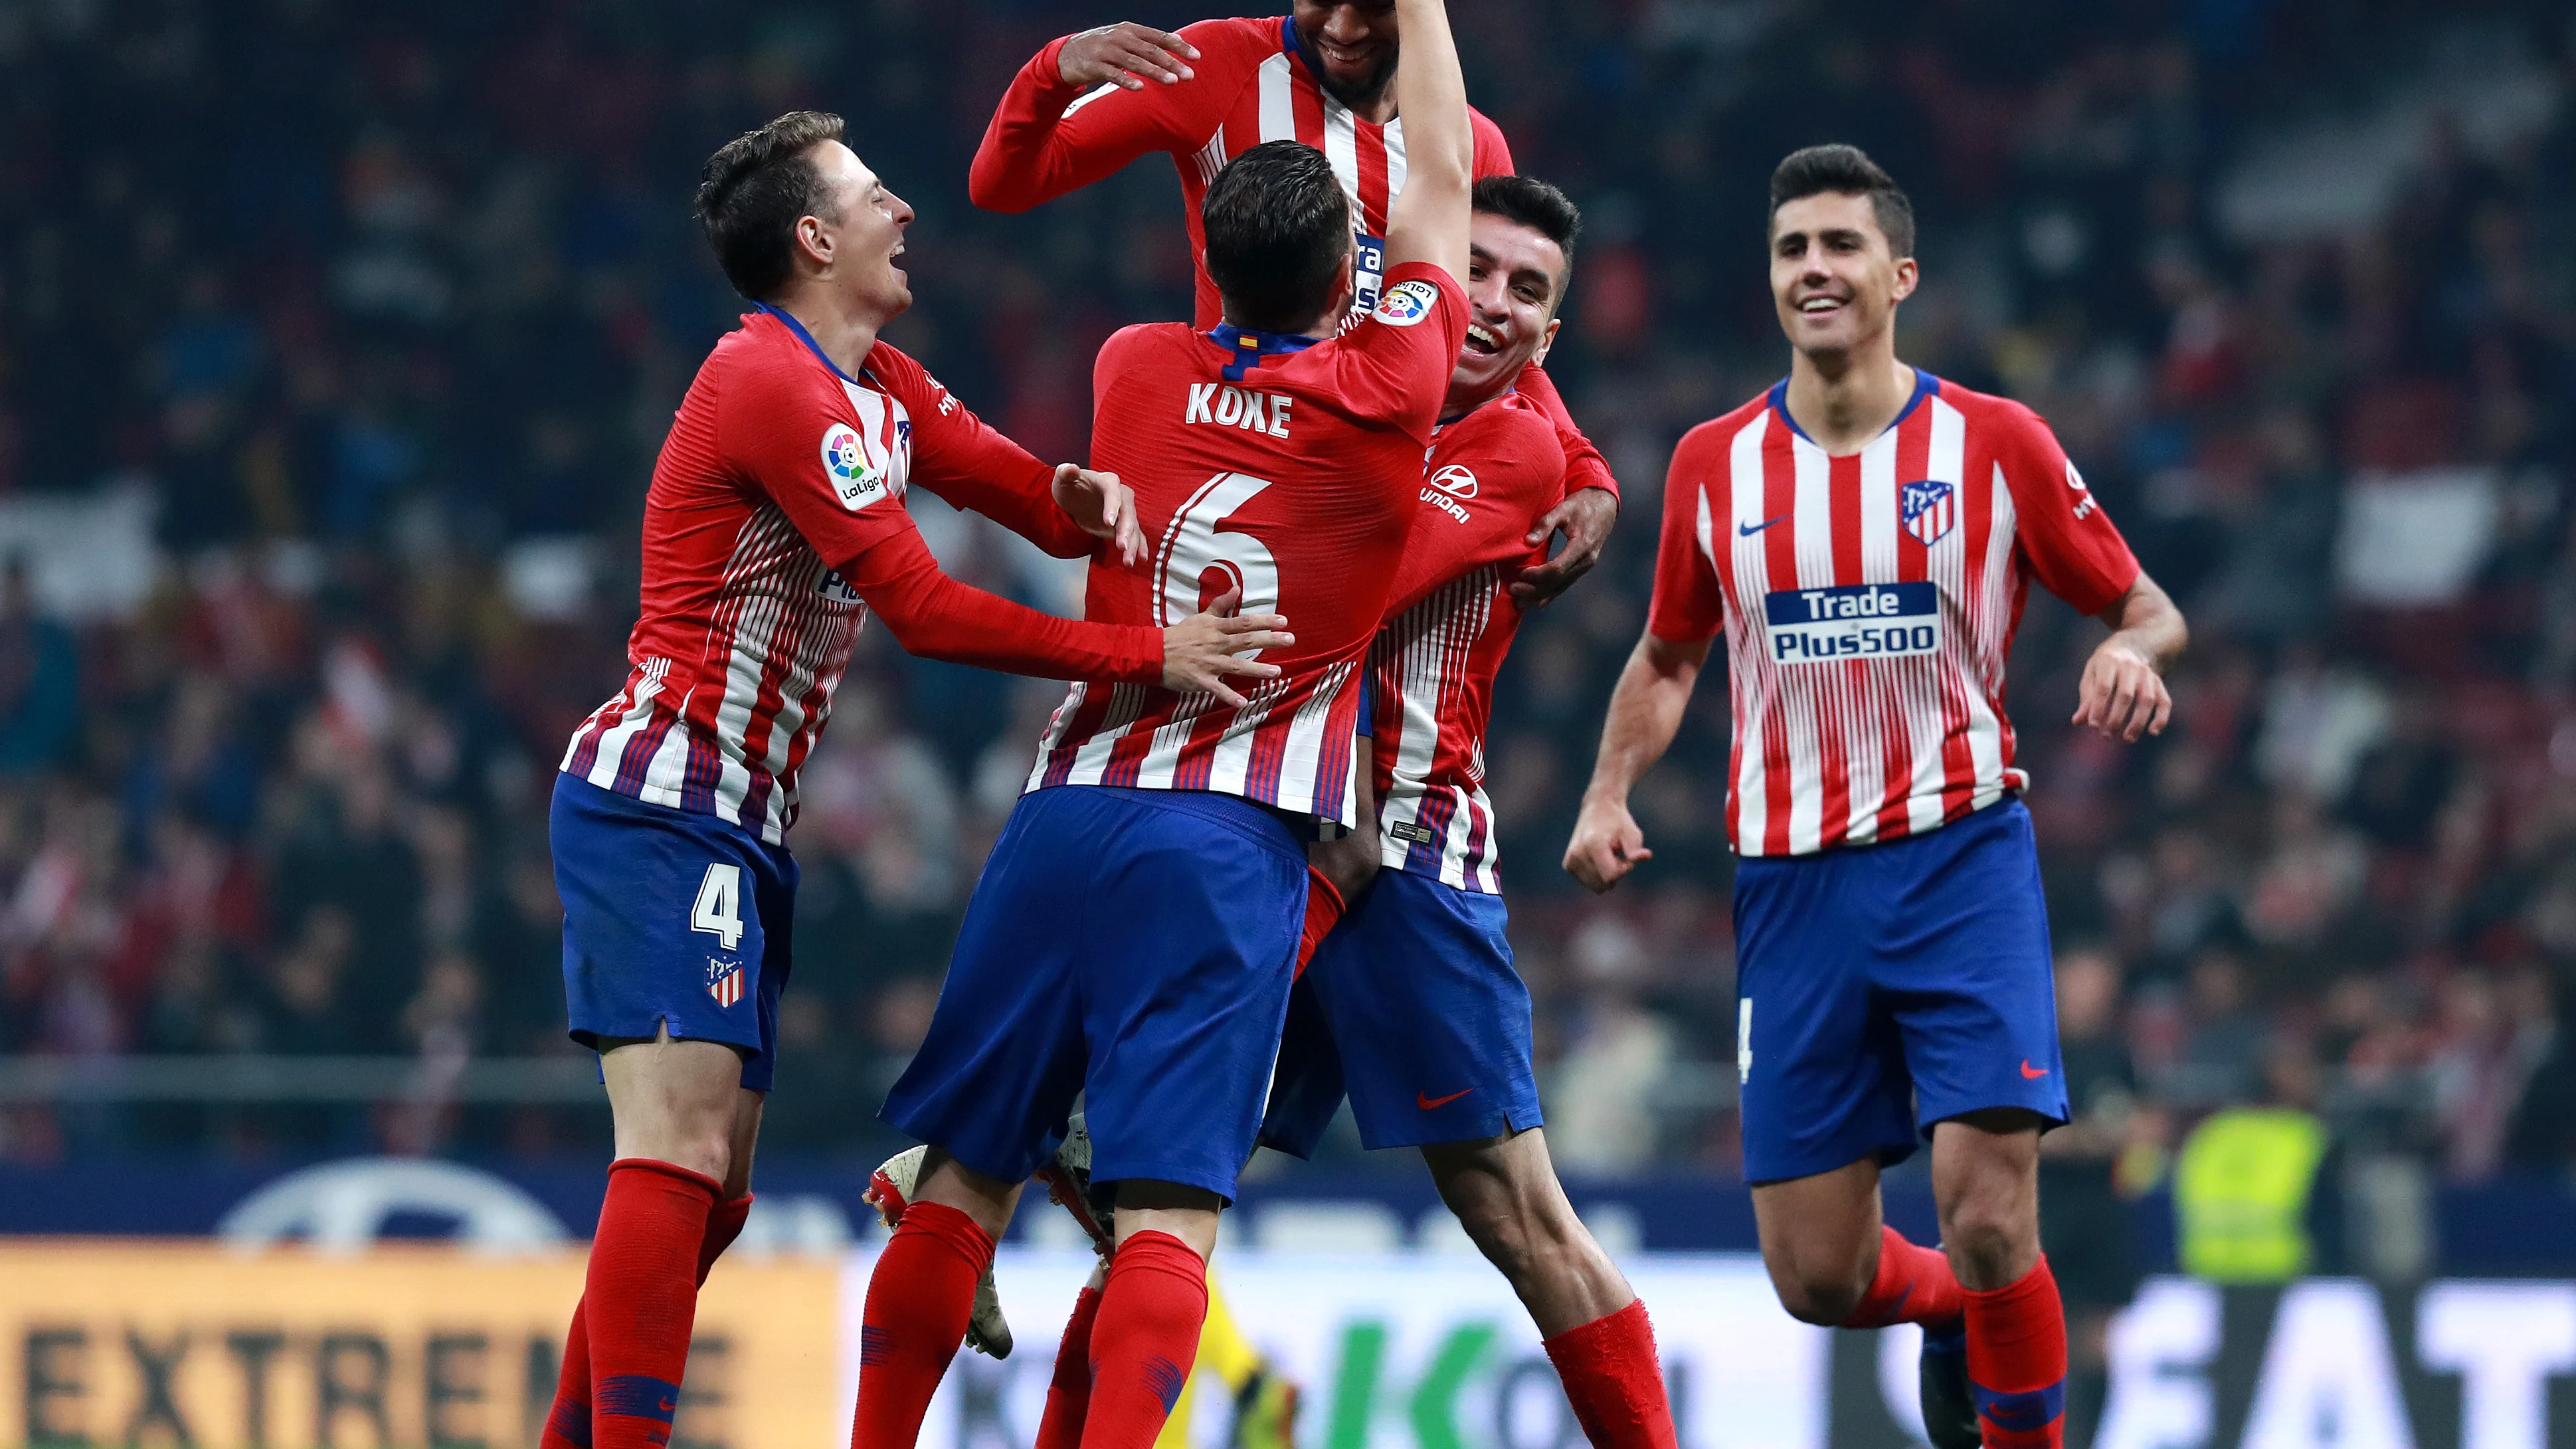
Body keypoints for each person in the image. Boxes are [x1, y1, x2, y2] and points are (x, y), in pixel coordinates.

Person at [538, 110, 1289, 1449]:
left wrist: (1089, 490)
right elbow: (928, 608)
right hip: (665, 792)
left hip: (741, 817)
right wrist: (1148, 652)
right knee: (677, 1157)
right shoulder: (770, 382)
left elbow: (1017, 487)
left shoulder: (875, 379)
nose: (907, 213)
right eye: (878, 195)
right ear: (814, 237)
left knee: (715, 1194)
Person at [848, 0, 1477, 1443]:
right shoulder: (1390, 393)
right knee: (1163, 1224)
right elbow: (1439, 179)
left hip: (1068, 807)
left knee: (960, 1177)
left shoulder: (1131, 369)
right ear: (1346, 281)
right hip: (1232, 840)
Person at [1562, 144, 2187, 1449]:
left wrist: (2129, 647)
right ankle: (1955, 1311)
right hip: (1791, 888)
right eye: (1792, 248)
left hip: (1962, 861)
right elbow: (1672, 653)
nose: (1814, 269)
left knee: (1987, 1205)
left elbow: (2143, 603)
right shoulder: (1710, 464)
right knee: (1819, 1277)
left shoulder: (1994, 441)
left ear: (1899, 274)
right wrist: (1608, 788)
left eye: (1840, 245)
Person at [1259, 174, 1678, 1449]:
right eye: (1478, 271)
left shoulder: (1516, 449)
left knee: (1515, 1215)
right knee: (1145, 1189)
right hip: (1268, 824)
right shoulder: (1344, 357)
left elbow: (1335, 598)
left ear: (1550, 335)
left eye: (1528, 293)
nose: (1493, 305)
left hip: (1404, 851)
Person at [968, 3, 1618, 616]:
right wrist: (1051, 69)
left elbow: (1483, 333)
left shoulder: (1468, 149)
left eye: (1370, 5)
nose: (1340, 26)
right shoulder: (1214, 64)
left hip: (1381, 508)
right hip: (1230, 467)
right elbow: (1001, 184)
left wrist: (1582, 469)